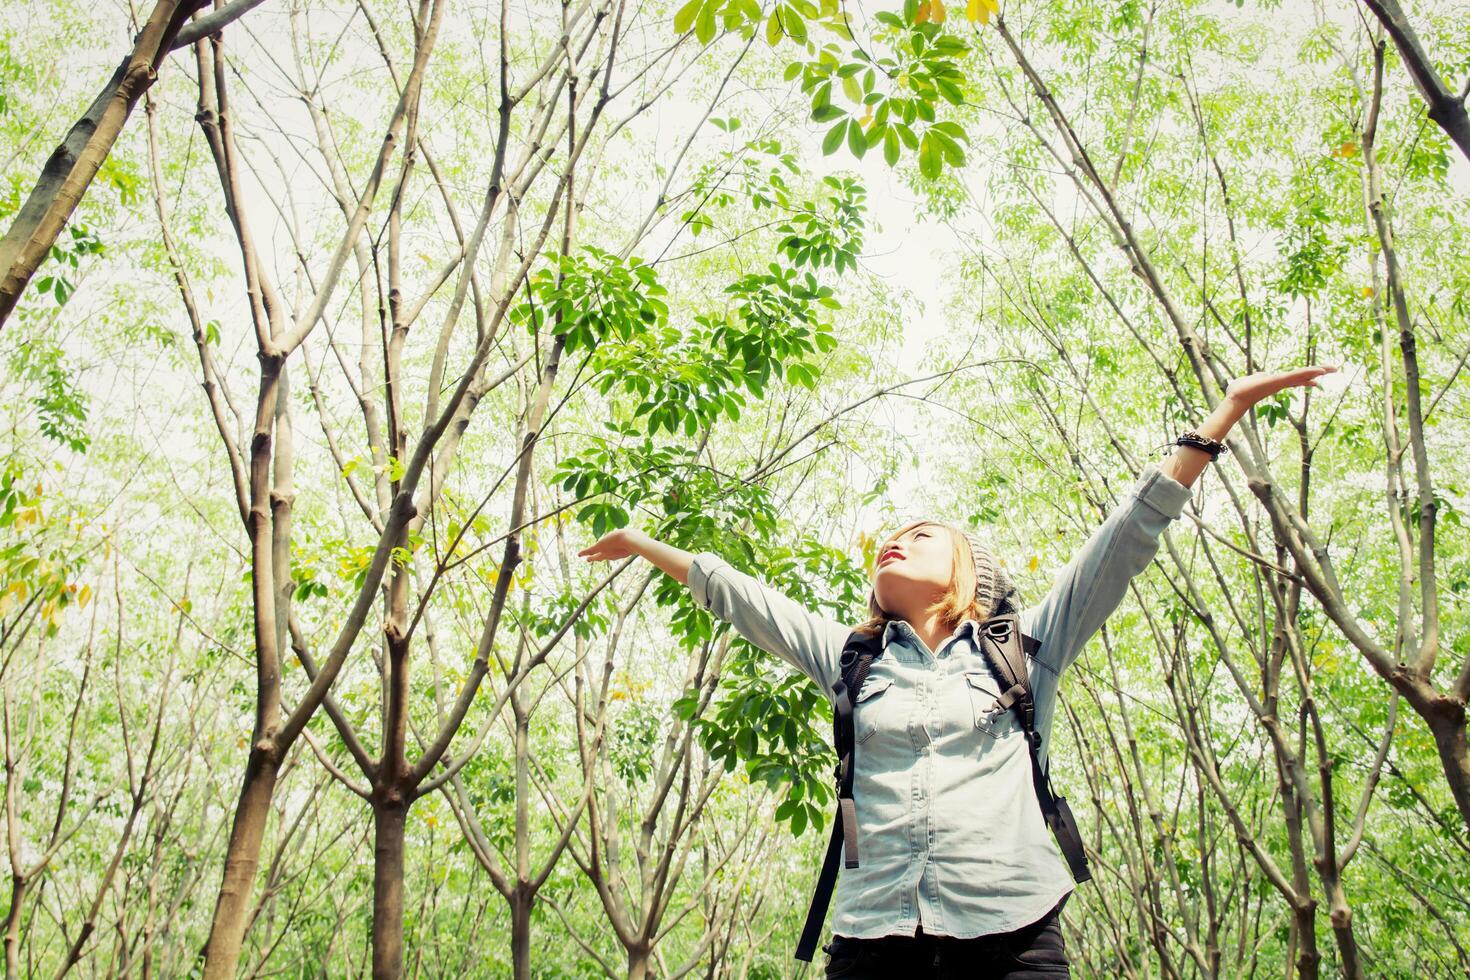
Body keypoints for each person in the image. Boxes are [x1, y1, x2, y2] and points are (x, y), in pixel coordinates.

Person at [578, 366, 1336, 978]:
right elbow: (748, 603)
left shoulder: (1027, 644)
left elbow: (1126, 537)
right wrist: (648, 544)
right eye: (887, 540)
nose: (893, 543)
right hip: (873, 938)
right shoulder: (852, 659)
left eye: (920, 535)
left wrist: (1221, 418)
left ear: (966, 571)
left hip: (1013, 936)